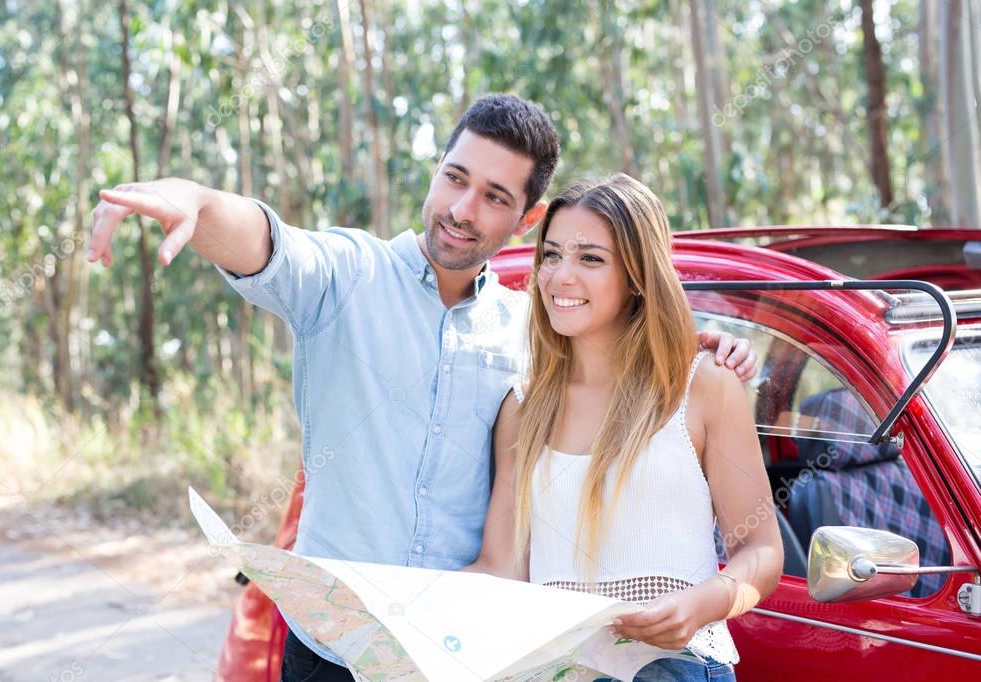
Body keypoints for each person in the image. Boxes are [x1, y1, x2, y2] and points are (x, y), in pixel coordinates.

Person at [86, 94, 758, 681]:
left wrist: (696, 343)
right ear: (435, 173)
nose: (463, 210)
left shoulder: (532, 331)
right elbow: (266, 241)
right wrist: (195, 201)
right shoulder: (344, 279)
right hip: (333, 651)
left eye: (495, 197)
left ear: (524, 218)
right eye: (454, 179)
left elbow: (615, 341)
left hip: (462, 656)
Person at [464, 174, 784, 681]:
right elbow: (501, 569)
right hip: (553, 670)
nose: (560, 276)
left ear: (637, 274)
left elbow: (763, 552)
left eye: (590, 258)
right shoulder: (522, 407)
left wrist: (704, 604)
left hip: (674, 667)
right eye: (550, 255)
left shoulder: (703, 384)